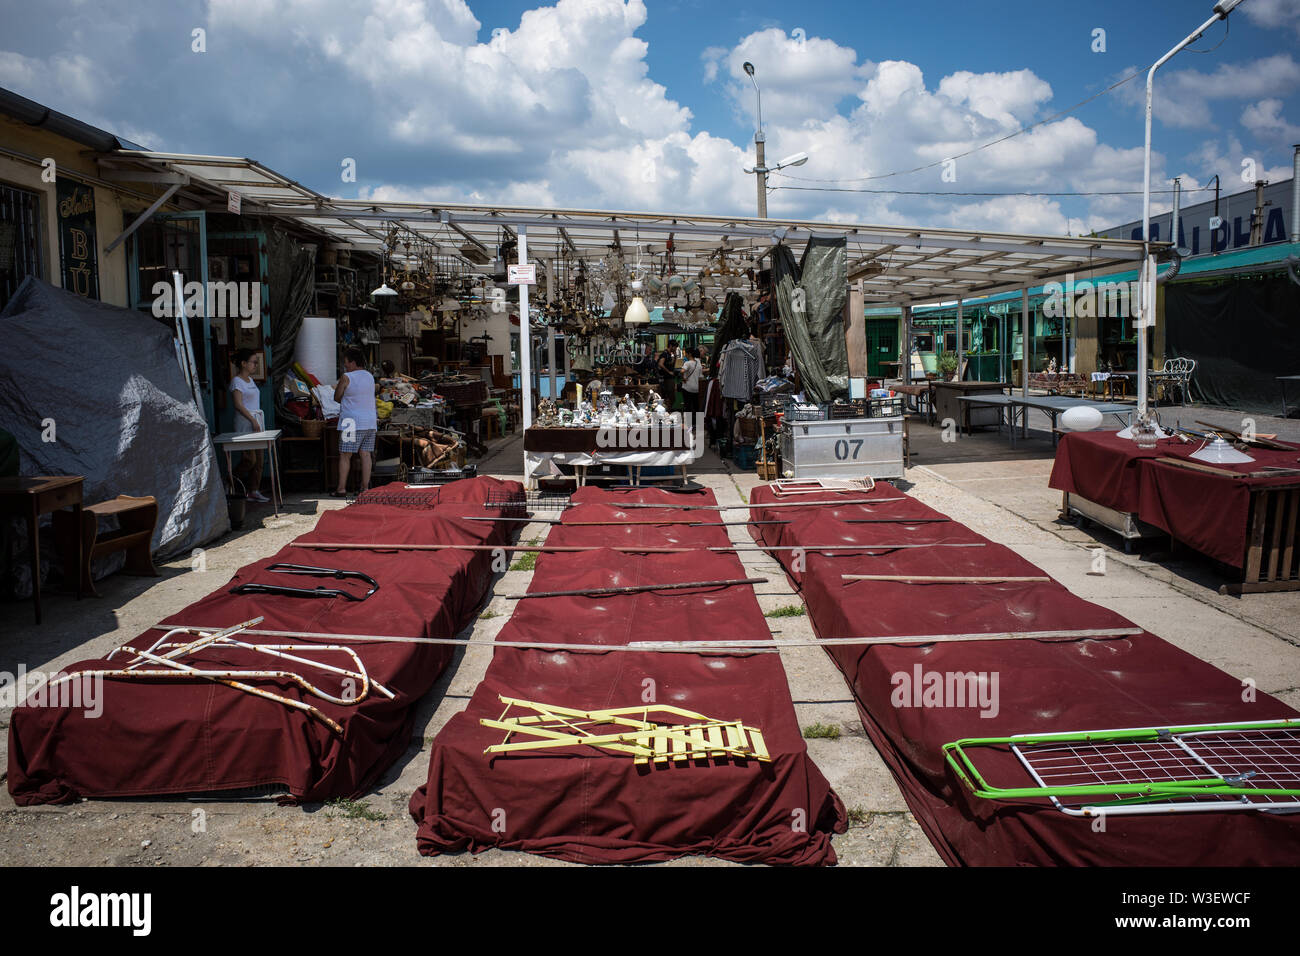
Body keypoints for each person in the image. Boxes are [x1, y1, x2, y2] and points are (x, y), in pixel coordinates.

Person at [333, 347, 377, 497]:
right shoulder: (370, 376)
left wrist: (345, 396)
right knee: (366, 454)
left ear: (352, 362)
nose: (345, 365)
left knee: (345, 455)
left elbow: (336, 397)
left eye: (346, 362)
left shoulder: (346, 377)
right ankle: (365, 488)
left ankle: (341, 488)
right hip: (370, 421)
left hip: (350, 422)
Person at [228, 349, 269, 503]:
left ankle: (254, 490)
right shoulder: (236, 382)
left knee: (259, 460)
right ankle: (230, 481)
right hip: (245, 424)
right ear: (243, 364)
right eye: (253, 362)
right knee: (249, 459)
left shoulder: (250, 380)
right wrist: (252, 420)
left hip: (256, 423)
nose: (255, 365)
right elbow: (238, 404)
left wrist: (256, 420)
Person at [680, 346, 702, 416]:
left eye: (686, 353)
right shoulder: (698, 364)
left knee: (688, 407)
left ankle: (689, 425)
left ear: (689, 354)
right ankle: (699, 424)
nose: (685, 355)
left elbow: (682, 371)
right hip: (696, 388)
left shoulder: (687, 363)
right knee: (696, 406)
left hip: (687, 388)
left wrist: (683, 378)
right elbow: (700, 376)